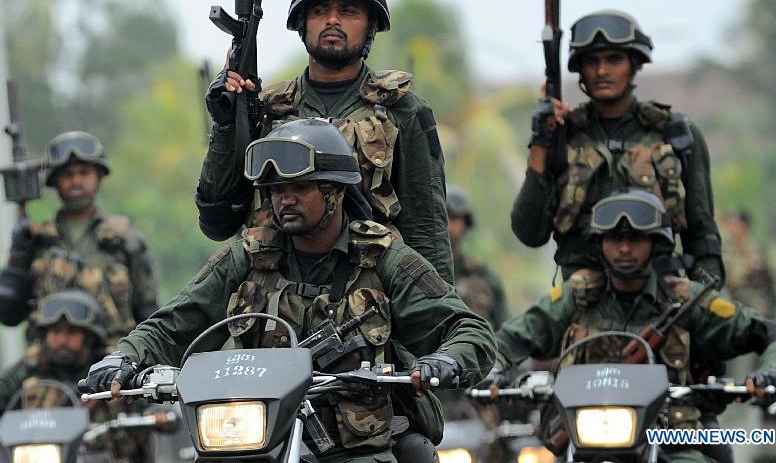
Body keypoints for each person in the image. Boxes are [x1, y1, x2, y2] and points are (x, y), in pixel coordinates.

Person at [86, 119, 496, 462]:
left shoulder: (384, 258)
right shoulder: (246, 257)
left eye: (299, 188)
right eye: (276, 191)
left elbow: (469, 329)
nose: (285, 200)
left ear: (334, 191)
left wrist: (444, 362)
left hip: (356, 449)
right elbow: (172, 324)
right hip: (257, 439)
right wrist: (123, 358)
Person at [196, 0, 454, 284]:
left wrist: (436, 323)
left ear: (371, 24)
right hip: (271, 310)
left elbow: (427, 236)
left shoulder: (403, 111)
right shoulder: (265, 111)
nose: (333, 20)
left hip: (369, 313)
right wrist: (227, 122)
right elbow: (217, 222)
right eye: (320, 11)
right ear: (302, 23)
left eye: (348, 11)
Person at [498, 189, 776, 462]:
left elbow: (774, 335)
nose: (625, 248)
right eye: (616, 239)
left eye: (636, 238)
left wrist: (772, 371)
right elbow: (510, 339)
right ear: (600, 244)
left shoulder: (685, 300)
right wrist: (494, 370)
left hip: (673, 437)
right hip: (586, 441)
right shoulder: (574, 296)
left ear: (656, 244)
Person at [511, 9, 723, 287]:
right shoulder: (563, 139)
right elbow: (530, 232)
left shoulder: (676, 135)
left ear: (634, 64)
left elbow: (701, 234)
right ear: (580, 70)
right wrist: (541, 141)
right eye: (592, 61)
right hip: (578, 308)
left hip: (658, 303)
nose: (602, 71)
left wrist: (706, 301)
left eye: (614, 59)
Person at [0, 291, 158, 462]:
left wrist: (155, 415)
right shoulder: (30, 368)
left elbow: (146, 398)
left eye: (71, 333)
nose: (62, 340)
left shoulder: (111, 367)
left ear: (90, 337)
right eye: (55, 332)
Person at [0, 131, 158, 347]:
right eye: (67, 174)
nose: (76, 181)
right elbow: (8, 314)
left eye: (84, 172)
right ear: (55, 181)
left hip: (111, 366)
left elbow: (148, 316)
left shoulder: (126, 242)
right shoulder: (36, 241)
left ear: (99, 177)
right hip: (48, 367)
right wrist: (19, 256)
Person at [446, 185, 508, 329]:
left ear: (465, 224)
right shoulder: (416, 272)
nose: (448, 226)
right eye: (443, 217)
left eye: (454, 218)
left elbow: (504, 334)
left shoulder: (485, 277)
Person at [722, 208, 776, 319]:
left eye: (735, 224)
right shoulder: (725, 250)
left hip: (754, 300)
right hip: (730, 298)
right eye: (730, 224)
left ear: (744, 227)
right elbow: (729, 279)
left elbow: (770, 279)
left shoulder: (756, 250)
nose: (731, 228)